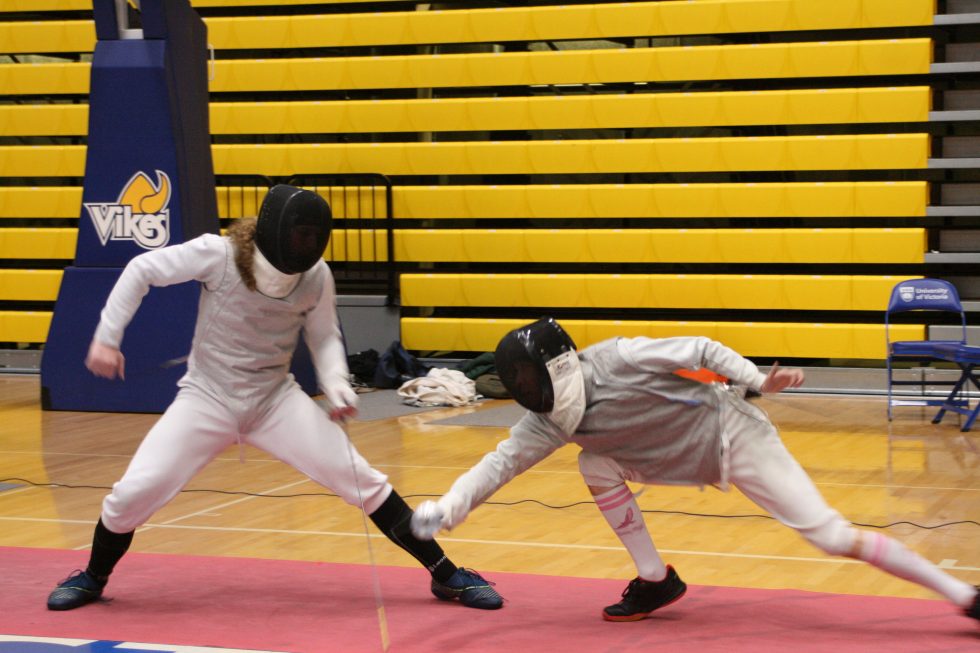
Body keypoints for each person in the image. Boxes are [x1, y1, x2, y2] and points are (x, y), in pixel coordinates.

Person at [46, 185, 502, 612]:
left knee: (362, 479)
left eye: (313, 236)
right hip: (207, 397)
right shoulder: (218, 255)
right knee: (134, 493)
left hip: (274, 400)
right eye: (299, 234)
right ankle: (92, 575)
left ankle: (444, 572)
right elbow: (141, 269)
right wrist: (108, 337)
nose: (305, 244)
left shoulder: (315, 275)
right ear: (273, 232)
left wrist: (338, 383)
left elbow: (323, 337)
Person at [411, 317, 979, 622]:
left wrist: (757, 380)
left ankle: (962, 594)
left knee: (832, 537)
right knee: (594, 462)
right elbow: (498, 464)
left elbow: (702, 349)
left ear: (556, 368)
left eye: (530, 381)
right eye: (519, 385)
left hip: (733, 437)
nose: (525, 392)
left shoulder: (619, 358)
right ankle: (656, 580)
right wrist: (447, 507)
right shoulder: (549, 424)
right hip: (671, 458)